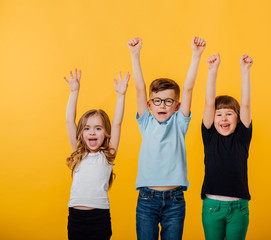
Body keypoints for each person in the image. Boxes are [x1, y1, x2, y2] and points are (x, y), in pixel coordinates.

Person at [127, 37, 206, 240]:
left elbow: (188, 89)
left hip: (175, 200)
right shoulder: (146, 122)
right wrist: (135, 55)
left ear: (177, 105)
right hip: (146, 198)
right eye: (157, 101)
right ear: (149, 104)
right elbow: (139, 88)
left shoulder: (179, 123)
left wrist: (196, 56)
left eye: (168, 101)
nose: (162, 105)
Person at [64, 68, 130, 240]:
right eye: (87, 128)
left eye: (98, 128)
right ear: (81, 133)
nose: (92, 132)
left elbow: (117, 123)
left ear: (106, 133)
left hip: (99, 218)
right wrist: (74, 92)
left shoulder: (107, 156)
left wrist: (121, 95)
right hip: (76, 218)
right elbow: (69, 120)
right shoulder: (78, 154)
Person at [201, 53, 253, 240]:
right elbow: (209, 103)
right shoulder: (209, 135)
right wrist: (212, 71)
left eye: (229, 114)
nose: (223, 118)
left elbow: (245, 105)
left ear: (238, 118)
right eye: (219, 114)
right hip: (212, 207)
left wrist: (245, 71)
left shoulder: (242, 137)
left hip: (238, 208)